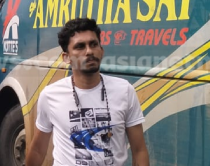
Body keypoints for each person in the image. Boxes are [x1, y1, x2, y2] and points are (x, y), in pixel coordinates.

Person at [25, 18, 149, 166]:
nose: (89, 51)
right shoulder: (50, 95)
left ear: (101, 51)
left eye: (94, 44)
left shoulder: (124, 90)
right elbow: (38, 150)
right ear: (66, 57)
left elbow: (139, 150)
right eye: (80, 47)